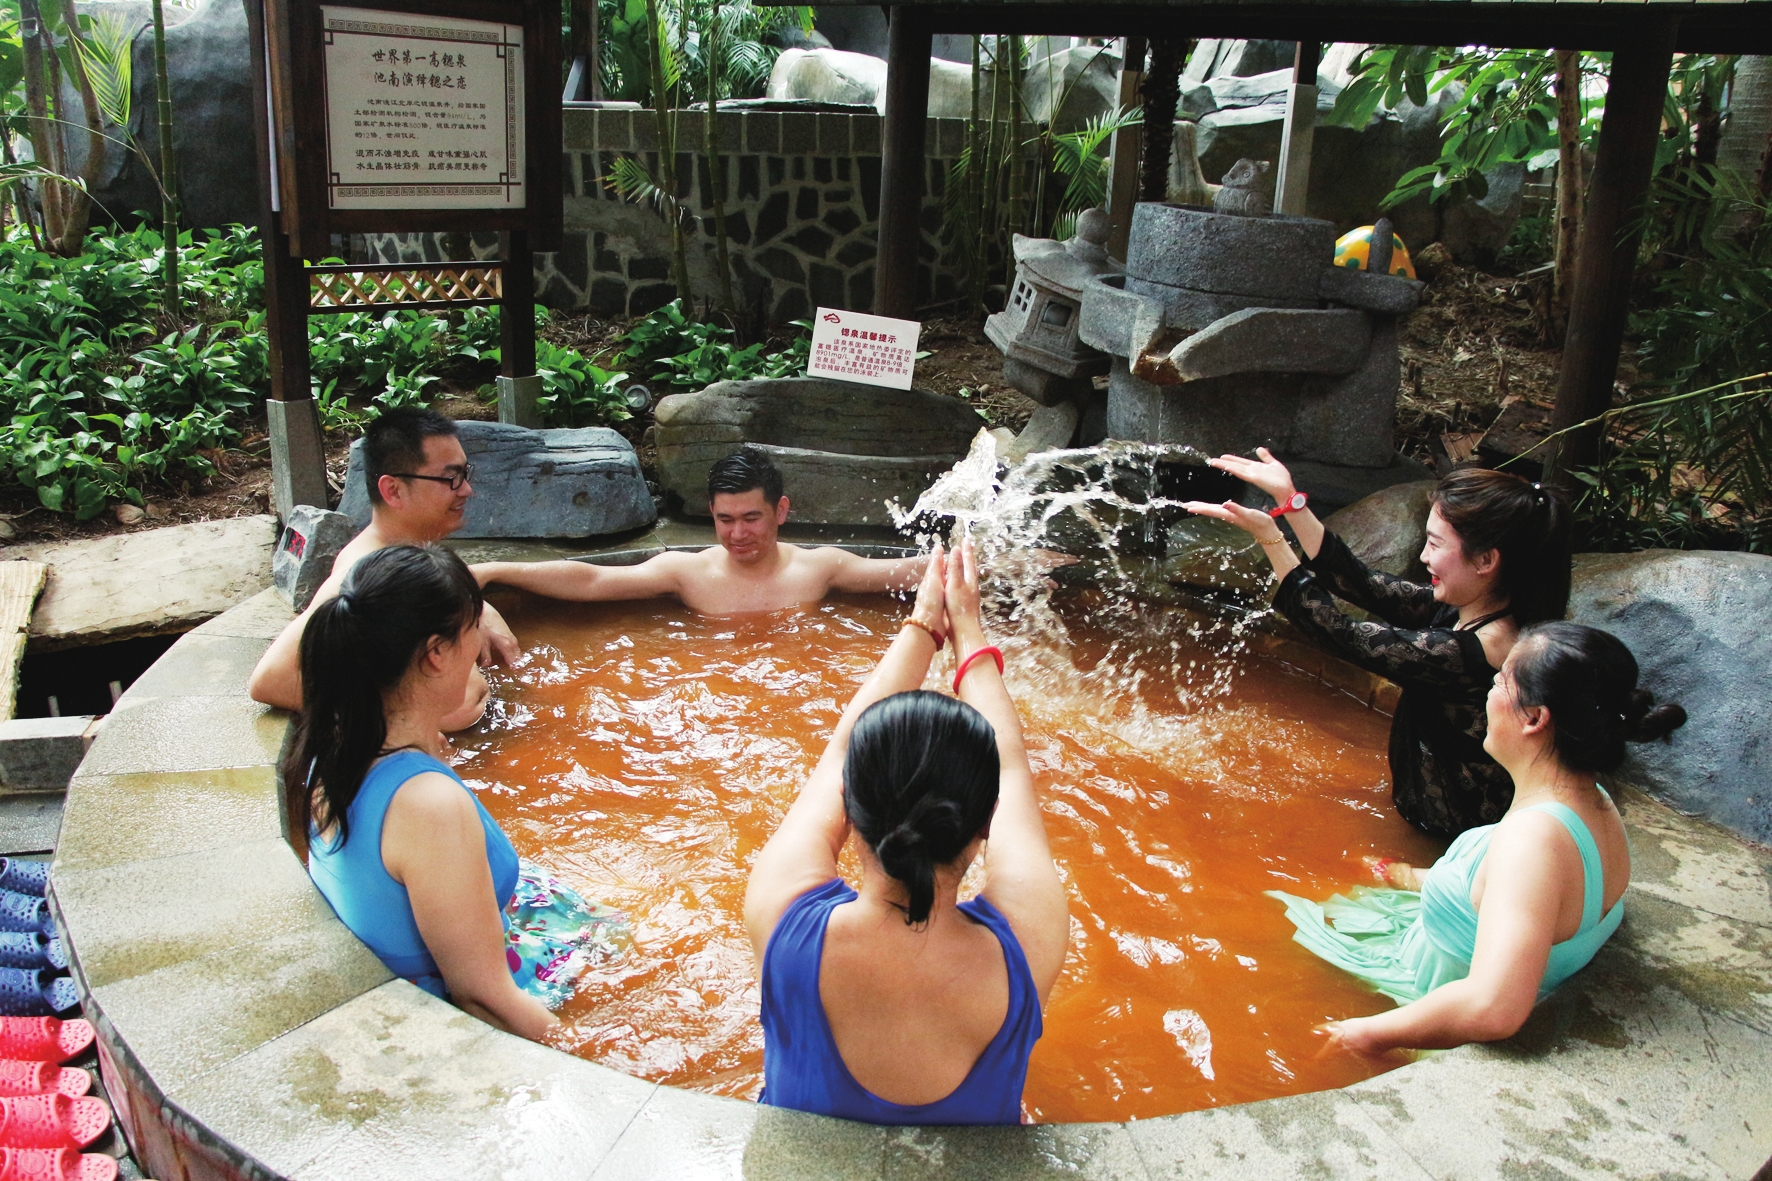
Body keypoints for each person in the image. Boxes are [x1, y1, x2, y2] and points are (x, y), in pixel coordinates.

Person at [742, 538, 1069, 1125]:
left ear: (850, 807)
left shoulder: (782, 915)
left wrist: (924, 626)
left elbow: (839, 751)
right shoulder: (1028, 939)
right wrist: (968, 628)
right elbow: (1012, 766)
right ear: (985, 823)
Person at [1266, 622, 1684, 1053]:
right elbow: (1515, 896)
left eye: (1502, 681)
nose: (1488, 690)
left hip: (1425, 1006)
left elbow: (1493, 1006)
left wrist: (1365, 1035)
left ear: (1535, 718)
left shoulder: (1531, 841)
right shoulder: (1596, 802)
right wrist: (1407, 876)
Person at [286, 544, 625, 1040]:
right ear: (436, 654)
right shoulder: (427, 806)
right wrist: (607, 1078)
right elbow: (482, 998)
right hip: (447, 1009)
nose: (480, 647)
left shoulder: (336, 740)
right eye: (473, 629)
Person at [1184, 451, 1572, 837]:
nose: (1422, 556)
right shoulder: (1471, 609)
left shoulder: (1477, 650)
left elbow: (1339, 634)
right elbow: (1365, 584)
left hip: (1450, 839)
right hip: (1426, 816)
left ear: (1486, 560)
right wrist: (1292, 502)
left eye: (1435, 545)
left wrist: (1269, 536)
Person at [248, 408, 519, 730]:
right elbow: (270, 680)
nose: (466, 490)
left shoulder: (408, 557)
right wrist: (396, 718)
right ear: (393, 490)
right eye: (451, 478)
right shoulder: (364, 573)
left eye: (464, 473)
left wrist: (486, 586)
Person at [470, 447, 930, 616]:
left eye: (751, 518)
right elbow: (594, 580)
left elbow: (907, 571)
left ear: (781, 511)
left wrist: (992, 561)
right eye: (724, 520)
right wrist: (495, 570)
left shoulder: (820, 568)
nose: (737, 534)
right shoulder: (687, 572)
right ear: (710, 512)